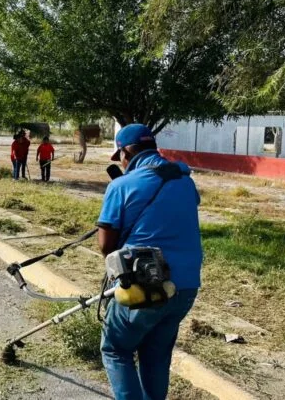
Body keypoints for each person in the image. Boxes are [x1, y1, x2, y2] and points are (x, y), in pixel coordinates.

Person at [96, 124, 202, 400]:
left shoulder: (121, 186)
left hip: (144, 285)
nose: (121, 162)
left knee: (116, 349)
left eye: (120, 156)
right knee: (155, 355)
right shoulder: (185, 181)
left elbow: (106, 246)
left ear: (127, 152)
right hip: (186, 286)